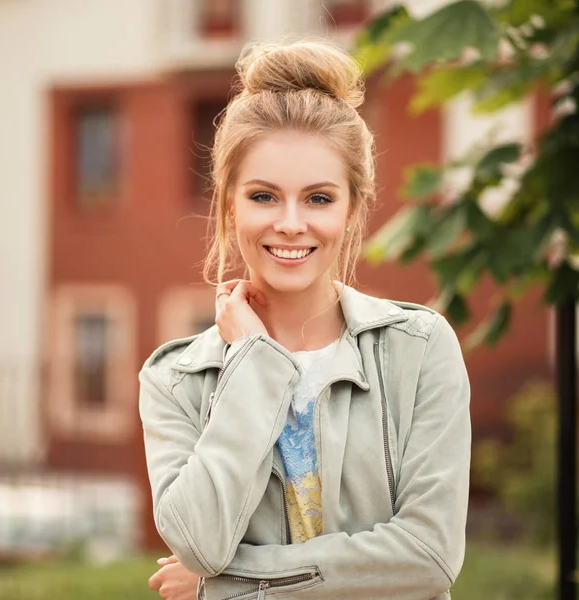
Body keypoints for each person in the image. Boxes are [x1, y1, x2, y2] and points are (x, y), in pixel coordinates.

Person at [139, 39, 471, 600]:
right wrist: (252, 364)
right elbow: (198, 544)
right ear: (228, 206)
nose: (291, 224)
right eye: (264, 196)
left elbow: (429, 556)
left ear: (353, 209)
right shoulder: (176, 379)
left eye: (318, 198)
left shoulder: (418, 349)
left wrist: (227, 583)